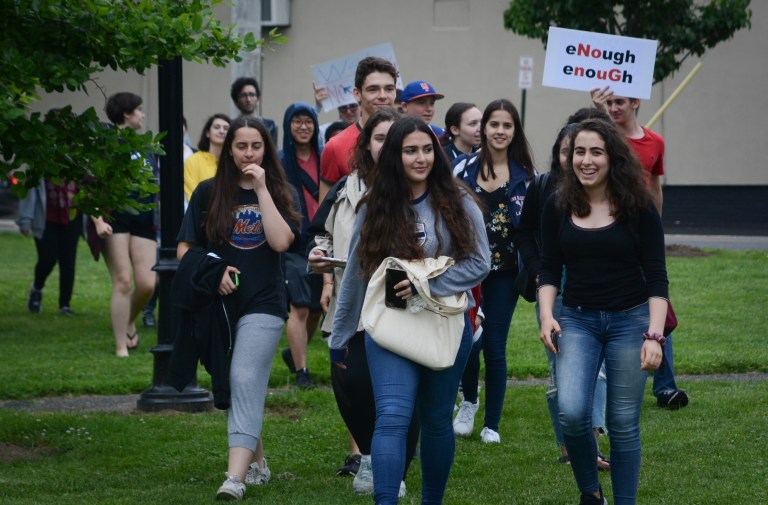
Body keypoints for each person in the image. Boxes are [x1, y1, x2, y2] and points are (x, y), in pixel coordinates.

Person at [329, 116, 490, 504]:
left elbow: (480, 263)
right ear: (394, 156)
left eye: (427, 149)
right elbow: (355, 271)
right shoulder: (376, 206)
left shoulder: (460, 201)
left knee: (436, 422)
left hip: (446, 326)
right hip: (391, 326)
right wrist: (341, 334)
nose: (421, 158)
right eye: (410, 150)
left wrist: (426, 283)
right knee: (392, 417)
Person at [538, 118, 668, 505]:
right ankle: (591, 492)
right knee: (573, 413)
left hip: (631, 321)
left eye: (596, 151)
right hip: (577, 319)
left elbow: (657, 278)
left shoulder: (639, 206)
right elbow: (548, 268)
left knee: (623, 423)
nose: (587, 160)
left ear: (613, 157)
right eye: (580, 151)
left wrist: (654, 335)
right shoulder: (557, 204)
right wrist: (547, 315)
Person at [176, 116, 301, 501]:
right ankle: (259, 463)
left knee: (245, 377)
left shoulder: (279, 190)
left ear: (267, 149)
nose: (249, 153)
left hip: (264, 302)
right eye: (241, 146)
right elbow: (185, 250)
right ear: (229, 149)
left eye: (256, 146)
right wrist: (213, 274)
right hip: (220, 306)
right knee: (235, 379)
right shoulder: (208, 192)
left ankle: (234, 477)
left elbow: (281, 242)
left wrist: (262, 188)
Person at [308, 109, 419, 496]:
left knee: (398, 394)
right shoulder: (344, 189)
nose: (386, 145)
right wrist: (321, 260)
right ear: (366, 144)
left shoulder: (419, 188)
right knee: (349, 385)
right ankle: (372, 455)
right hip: (349, 303)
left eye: (394, 138)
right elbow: (321, 235)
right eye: (378, 137)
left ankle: (393, 468)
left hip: (401, 309)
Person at [512, 109, 611, 470]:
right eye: (568, 150)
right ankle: (568, 445)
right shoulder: (544, 188)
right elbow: (522, 233)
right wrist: (538, 270)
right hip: (553, 291)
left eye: (583, 150)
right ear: (558, 154)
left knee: (596, 372)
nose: (575, 158)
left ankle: (592, 444)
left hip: (592, 290)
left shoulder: (605, 191)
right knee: (559, 371)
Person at [590, 86, 688, 410]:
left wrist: (655, 230)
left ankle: (666, 387)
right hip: (608, 235)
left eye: (619, 102)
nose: (614, 107)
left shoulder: (655, 143)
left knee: (661, 311)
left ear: (635, 102)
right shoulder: (605, 141)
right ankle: (605, 382)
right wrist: (598, 111)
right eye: (609, 103)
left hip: (642, 234)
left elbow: (655, 187)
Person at [452, 99, 534, 443]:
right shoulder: (461, 169)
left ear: (515, 131)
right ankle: (468, 401)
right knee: (468, 343)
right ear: (483, 129)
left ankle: (492, 425)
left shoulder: (525, 178)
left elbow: (530, 230)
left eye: (507, 125)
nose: (500, 131)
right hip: (468, 270)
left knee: (495, 347)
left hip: (504, 274)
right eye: (494, 124)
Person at [90, 92, 157, 357]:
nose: (142, 114)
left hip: (143, 221)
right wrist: (97, 220)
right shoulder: (107, 146)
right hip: (114, 220)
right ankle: (121, 346)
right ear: (126, 114)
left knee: (148, 283)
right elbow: (90, 187)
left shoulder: (145, 147)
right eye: (138, 110)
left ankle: (128, 319)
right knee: (123, 281)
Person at [279, 102, 324, 389]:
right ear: (288, 126)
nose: (303, 126)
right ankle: (301, 371)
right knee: (300, 307)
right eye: (297, 121)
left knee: (318, 308)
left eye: (308, 121)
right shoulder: (280, 162)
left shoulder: (325, 158)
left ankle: (293, 352)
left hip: (321, 240)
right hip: (292, 244)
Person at [319, 56, 398, 202]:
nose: (382, 96)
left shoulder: (412, 137)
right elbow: (325, 215)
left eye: (389, 89)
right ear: (357, 94)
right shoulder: (335, 147)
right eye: (373, 89)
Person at [16, 168, 81, 316]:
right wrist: (25, 220)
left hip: (71, 218)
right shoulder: (41, 164)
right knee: (48, 258)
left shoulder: (79, 162)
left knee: (68, 262)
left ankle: (65, 305)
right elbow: (29, 192)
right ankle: (36, 289)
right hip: (47, 220)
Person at [183, 113, 231, 202]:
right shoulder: (193, 160)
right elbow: (192, 194)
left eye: (226, 129)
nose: (221, 131)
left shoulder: (233, 161)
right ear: (208, 133)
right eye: (217, 127)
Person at [230, 77, 278, 145]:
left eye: (252, 95)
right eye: (243, 95)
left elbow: (273, 152)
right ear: (236, 101)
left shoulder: (270, 125)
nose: (248, 99)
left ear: (258, 99)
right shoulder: (229, 126)